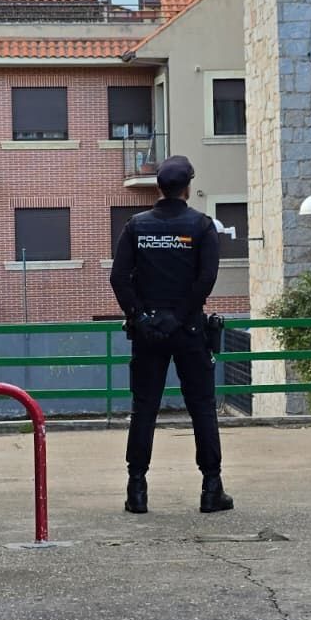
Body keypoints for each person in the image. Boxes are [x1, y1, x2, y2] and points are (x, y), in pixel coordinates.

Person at [108, 156, 234, 515]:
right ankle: (212, 489)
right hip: (190, 330)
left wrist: (142, 317)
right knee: (202, 410)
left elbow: (119, 278)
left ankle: (137, 491)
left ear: (159, 188)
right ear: (188, 188)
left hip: (148, 334)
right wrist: (178, 317)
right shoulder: (202, 226)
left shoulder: (136, 226)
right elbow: (205, 280)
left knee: (144, 409)